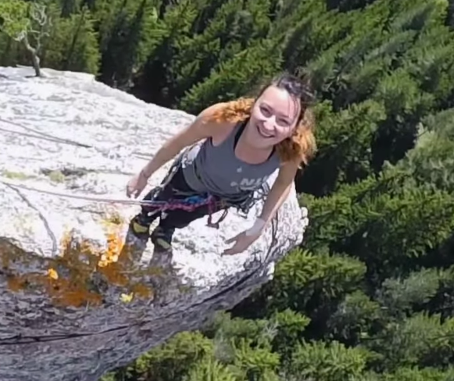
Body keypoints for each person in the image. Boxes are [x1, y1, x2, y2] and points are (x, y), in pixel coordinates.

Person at [123, 73, 317, 267]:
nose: (268, 124)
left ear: (294, 128)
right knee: (163, 198)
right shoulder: (223, 121)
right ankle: (145, 217)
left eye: (283, 121)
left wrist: (258, 228)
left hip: (222, 198)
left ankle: (166, 228)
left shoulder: (291, 149)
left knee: (185, 215)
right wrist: (144, 175)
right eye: (265, 110)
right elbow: (180, 142)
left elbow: (283, 183)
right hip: (191, 176)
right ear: (254, 103)